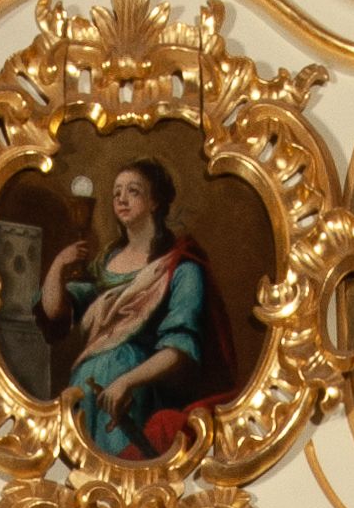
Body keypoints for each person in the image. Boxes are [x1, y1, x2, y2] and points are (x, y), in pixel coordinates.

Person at [40, 159, 236, 460]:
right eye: (116, 192)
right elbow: (55, 312)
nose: (121, 199)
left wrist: (127, 381)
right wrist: (58, 265)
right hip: (86, 387)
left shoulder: (181, 268)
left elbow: (180, 349)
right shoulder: (105, 264)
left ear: (155, 201)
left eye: (133, 191)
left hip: (134, 395)